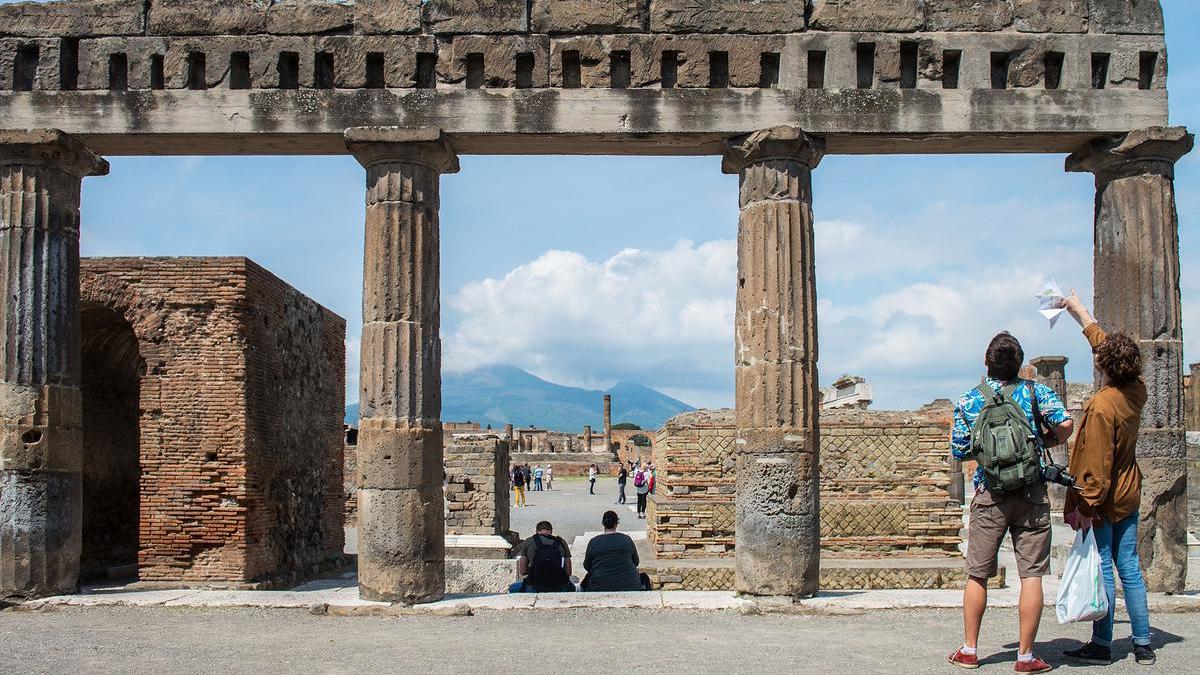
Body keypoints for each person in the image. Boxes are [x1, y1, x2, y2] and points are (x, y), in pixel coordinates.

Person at [947, 332, 1074, 673]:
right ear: (1020, 364)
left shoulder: (971, 399)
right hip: (1031, 493)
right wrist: (1042, 439)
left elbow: (960, 451)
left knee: (977, 574)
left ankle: (970, 650)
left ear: (986, 363)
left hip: (990, 494)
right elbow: (1065, 425)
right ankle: (1025, 656)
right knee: (1031, 575)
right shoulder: (1036, 392)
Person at [1058, 291, 1156, 666]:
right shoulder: (1136, 390)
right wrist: (1078, 311)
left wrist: (1088, 504)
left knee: (1102, 565)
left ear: (1104, 367)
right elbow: (1107, 346)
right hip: (1130, 488)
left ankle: (1101, 643)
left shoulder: (1101, 406)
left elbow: (1097, 466)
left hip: (1105, 497)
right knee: (1128, 565)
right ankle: (1143, 642)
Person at [581, 511, 649, 592]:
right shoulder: (626, 539)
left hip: (599, 585)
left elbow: (587, 566)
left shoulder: (593, 542)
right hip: (630, 584)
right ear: (616, 523)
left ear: (603, 523)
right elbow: (636, 562)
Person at [509, 521, 574, 593]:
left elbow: (523, 571)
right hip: (558, 585)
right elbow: (568, 572)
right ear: (551, 531)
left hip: (534, 585)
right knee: (572, 587)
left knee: (512, 588)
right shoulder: (561, 542)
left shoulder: (528, 541)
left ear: (537, 531)